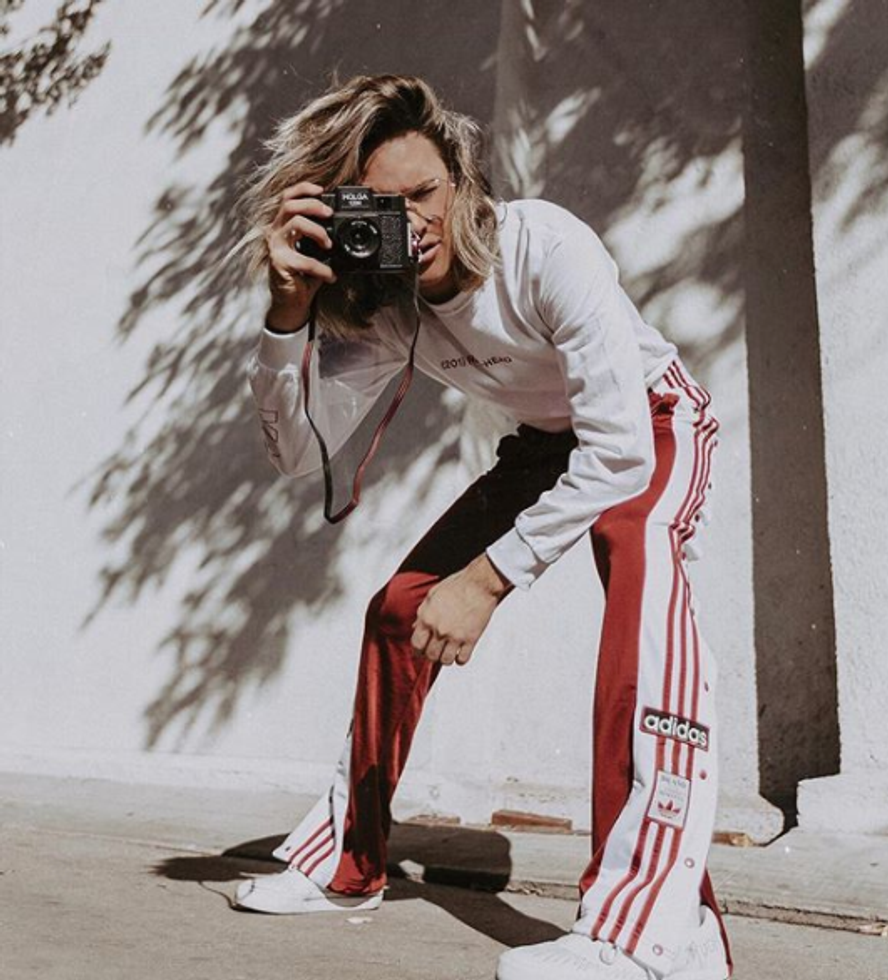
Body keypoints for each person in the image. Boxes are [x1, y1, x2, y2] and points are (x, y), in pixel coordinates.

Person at [235, 73, 732, 980]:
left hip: (652, 420)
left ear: (462, 181)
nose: (412, 224)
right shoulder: (388, 307)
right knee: (400, 610)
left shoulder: (545, 246)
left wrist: (489, 579)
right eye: (379, 209)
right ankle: (346, 866)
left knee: (639, 560)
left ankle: (658, 932)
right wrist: (287, 312)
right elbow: (298, 453)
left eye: (423, 194)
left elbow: (621, 451)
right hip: (545, 445)